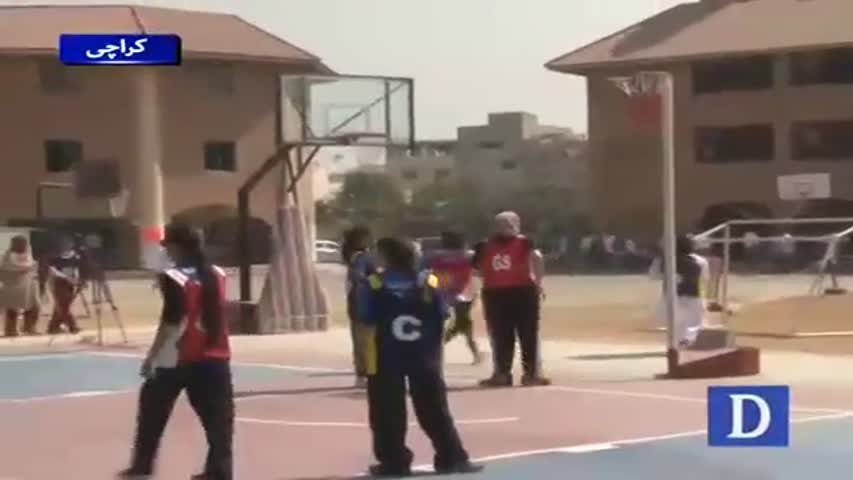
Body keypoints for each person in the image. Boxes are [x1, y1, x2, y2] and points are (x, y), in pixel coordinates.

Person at [357, 237, 482, 477]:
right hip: (424, 355)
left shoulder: (373, 283)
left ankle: (394, 462)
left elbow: (365, 317)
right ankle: (451, 457)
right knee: (434, 409)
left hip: (385, 355)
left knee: (386, 412)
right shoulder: (428, 281)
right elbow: (443, 312)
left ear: (385, 256)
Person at [119, 223, 233, 480]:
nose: (167, 251)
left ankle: (142, 466)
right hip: (215, 354)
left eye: (169, 246)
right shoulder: (217, 273)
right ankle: (220, 470)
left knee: (152, 412)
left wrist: (152, 356)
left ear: (178, 247)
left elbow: (174, 320)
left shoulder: (174, 277)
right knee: (219, 420)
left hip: (178, 356)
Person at [474, 212, 550, 387]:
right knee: (511, 334)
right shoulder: (522, 243)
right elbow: (537, 258)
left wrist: (537, 283)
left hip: (506, 292)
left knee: (512, 334)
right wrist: (537, 282)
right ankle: (522, 374)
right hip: (508, 292)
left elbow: (476, 268)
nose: (505, 227)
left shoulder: (487, 245)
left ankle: (510, 374)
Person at [423, 230, 481, 364]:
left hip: (444, 292)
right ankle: (474, 352)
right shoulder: (468, 255)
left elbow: (429, 274)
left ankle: (438, 346)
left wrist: (432, 287)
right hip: (464, 292)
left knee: (459, 323)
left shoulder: (434, 256)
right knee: (463, 323)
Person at [649, 235, 709, 348]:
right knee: (693, 323)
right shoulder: (701, 260)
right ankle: (686, 341)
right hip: (693, 295)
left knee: (676, 324)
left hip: (671, 296)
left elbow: (653, 275)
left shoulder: (666, 259)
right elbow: (704, 278)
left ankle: (679, 343)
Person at [342, 225, 375, 388]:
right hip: (365, 304)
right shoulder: (363, 258)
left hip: (356, 304)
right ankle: (366, 374)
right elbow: (360, 276)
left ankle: (363, 374)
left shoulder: (354, 258)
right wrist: (378, 284)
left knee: (360, 341)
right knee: (367, 342)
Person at [1, 236, 41, 337]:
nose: (25, 245)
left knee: (34, 307)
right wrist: (25, 269)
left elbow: (32, 266)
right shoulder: (8, 255)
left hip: (29, 285)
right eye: (22, 243)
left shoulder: (28, 253)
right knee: (12, 309)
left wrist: (32, 269)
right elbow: (7, 268)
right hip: (13, 286)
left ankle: (29, 327)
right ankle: (10, 330)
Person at [46, 236, 82, 334]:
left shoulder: (75, 257)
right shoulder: (55, 258)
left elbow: (76, 269)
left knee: (61, 305)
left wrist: (76, 279)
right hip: (59, 283)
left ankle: (53, 326)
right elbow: (53, 271)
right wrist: (66, 277)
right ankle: (72, 326)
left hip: (70, 284)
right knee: (64, 305)